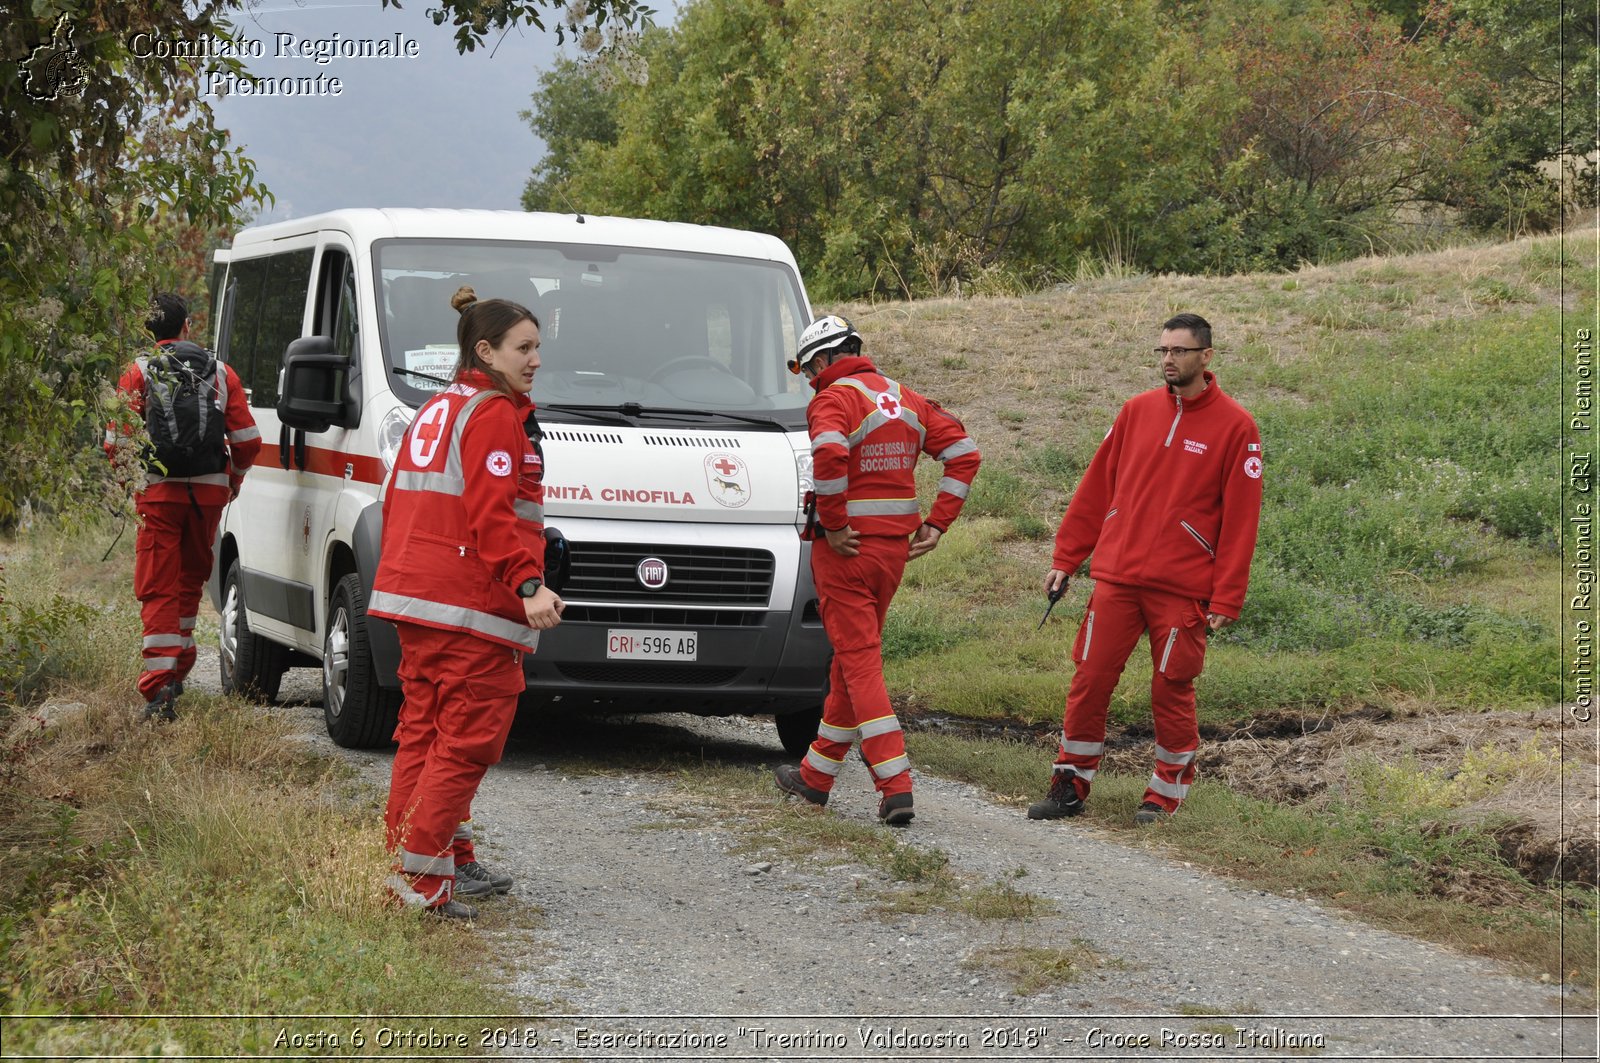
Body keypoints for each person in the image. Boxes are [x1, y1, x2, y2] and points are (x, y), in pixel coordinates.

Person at [368, 286, 564, 920]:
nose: (535, 360)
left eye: (538, 347)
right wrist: (528, 585)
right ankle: (420, 887)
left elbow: (399, 500)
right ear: (486, 350)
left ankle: (417, 866)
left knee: (423, 735)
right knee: (466, 742)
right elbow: (493, 512)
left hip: (416, 599)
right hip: (468, 608)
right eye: (523, 348)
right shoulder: (494, 413)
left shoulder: (437, 407)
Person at [1029, 312, 1262, 826]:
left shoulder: (1237, 427)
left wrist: (1227, 597)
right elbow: (1096, 489)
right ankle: (1068, 785)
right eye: (1162, 351)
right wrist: (1067, 558)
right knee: (1089, 680)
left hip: (1181, 589)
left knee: (1170, 688)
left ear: (1206, 356)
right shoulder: (1135, 411)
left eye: (1178, 351)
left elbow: (1243, 520)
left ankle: (1164, 794)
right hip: (1116, 577)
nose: (1168, 361)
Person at [773, 314, 980, 826]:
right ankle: (815, 778)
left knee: (861, 664)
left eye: (808, 370)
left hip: (844, 552)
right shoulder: (905, 398)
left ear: (822, 359)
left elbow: (828, 453)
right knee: (849, 662)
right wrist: (938, 523)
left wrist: (837, 523)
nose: (809, 380)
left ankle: (896, 784)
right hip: (892, 553)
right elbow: (964, 454)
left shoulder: (833, 398)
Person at [105, 293, 261, 721]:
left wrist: (132, 483)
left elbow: (115, 442)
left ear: (147, 332)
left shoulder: (137, 373)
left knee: (159, 583)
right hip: (209, 494)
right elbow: (248, 441)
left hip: (158, 493)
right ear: (187, 326)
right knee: (191, 578)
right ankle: (177, 673)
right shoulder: (221, 372)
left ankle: (159, 691)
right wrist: (233, 479)